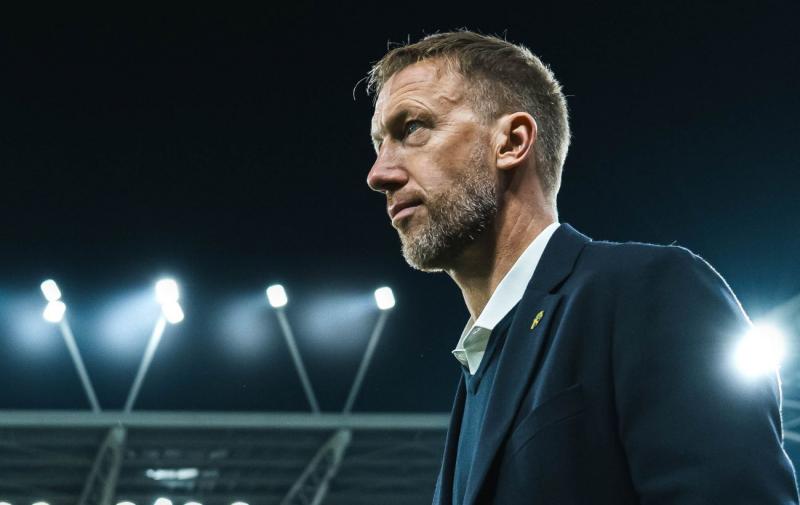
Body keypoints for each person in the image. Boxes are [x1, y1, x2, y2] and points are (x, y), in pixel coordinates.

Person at [364, 30, 799, 505]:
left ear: (511, 142)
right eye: (379, 145)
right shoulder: (477, 368)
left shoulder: (646, 291)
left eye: (412, 129)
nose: (379, 174)